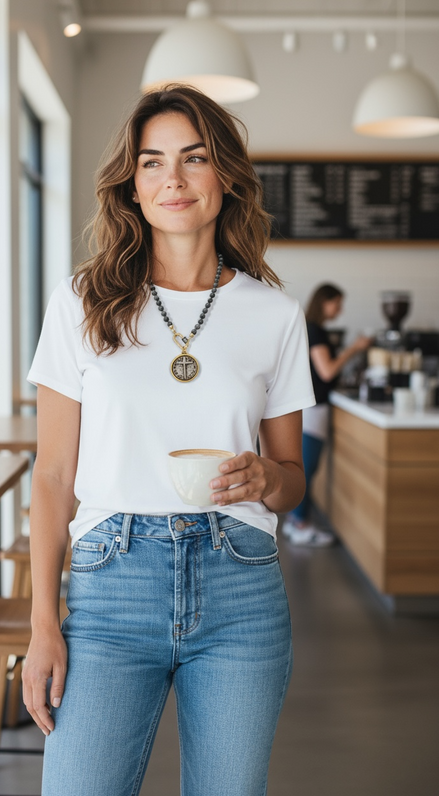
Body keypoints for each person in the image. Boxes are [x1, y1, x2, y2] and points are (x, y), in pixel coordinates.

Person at [22, 84, 316, 796]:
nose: (172, 180)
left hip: (239, 584)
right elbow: (53, 475)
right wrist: (41, 626)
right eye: (151, 163)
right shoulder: (80, 302)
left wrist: (263, 480)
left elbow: (292, 477)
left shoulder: (273, 315)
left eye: (193, 158)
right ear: (131, 184)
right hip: (110, 586)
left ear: (226, 178)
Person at [283, 283, 371, 547]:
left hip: (310, 409)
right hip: (313, 410)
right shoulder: (316, 331)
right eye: (337, 303)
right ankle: (300, 525)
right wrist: (354, 348)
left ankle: (295, 521)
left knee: (306, 467)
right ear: (324, 302)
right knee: (307, 469)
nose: (340, 309)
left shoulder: (311, 328)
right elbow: (327, 371)